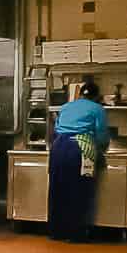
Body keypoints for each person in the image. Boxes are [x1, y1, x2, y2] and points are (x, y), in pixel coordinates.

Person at [48, 79, 109, 241]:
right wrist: (102, 149)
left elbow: (56, 129)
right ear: (97, 97)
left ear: (80, 94)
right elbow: (101, 135)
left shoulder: (66, 106)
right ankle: (76, 234)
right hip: (79, 149)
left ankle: (57, 232)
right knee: (80, 191)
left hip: (59, 147)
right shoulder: (98, 109)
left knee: (58, 190)